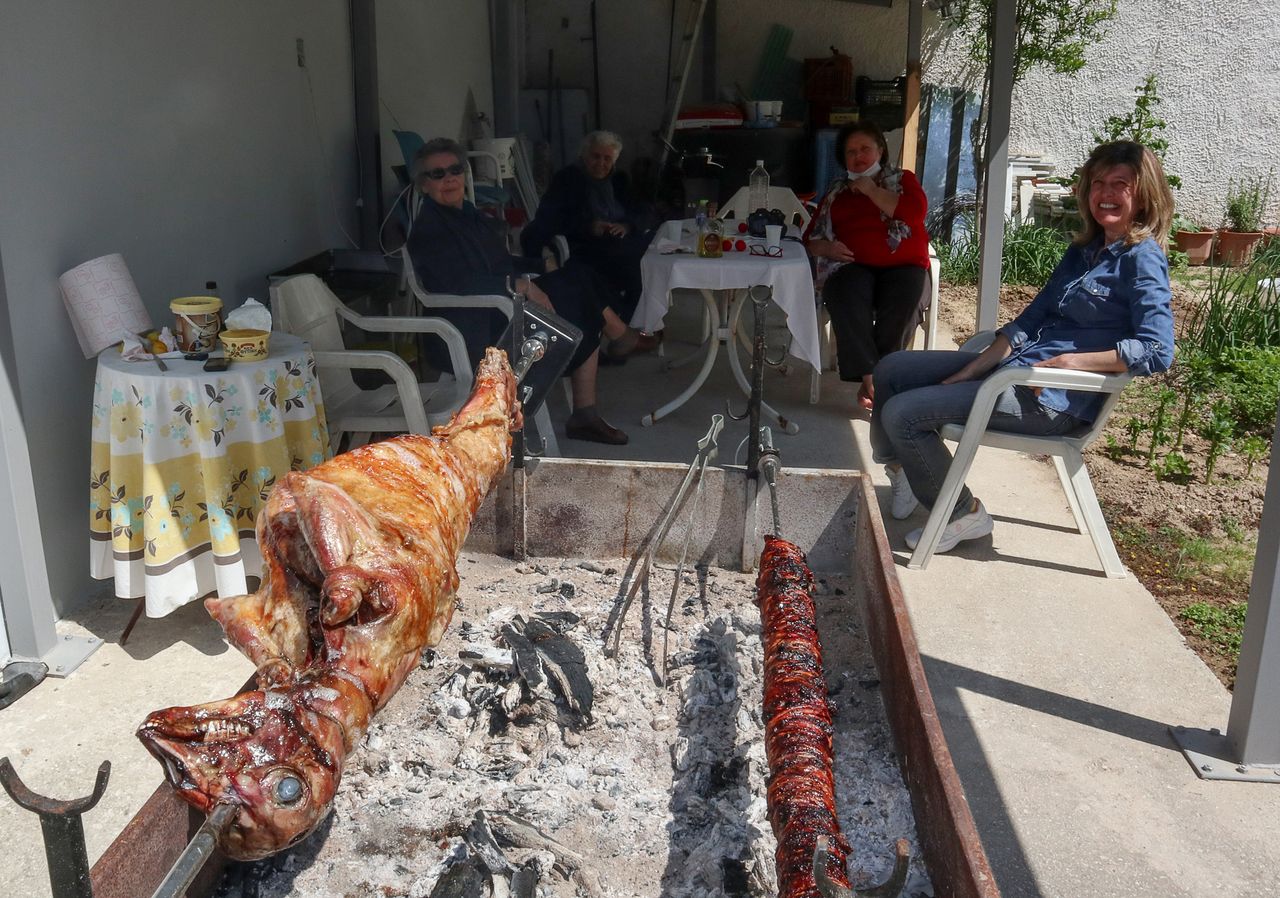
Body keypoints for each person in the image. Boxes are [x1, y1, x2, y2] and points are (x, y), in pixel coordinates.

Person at [871, 140, 1175, 553]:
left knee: (903, 414)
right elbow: (1031, 320)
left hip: (1051, 400)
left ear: (1143, 194)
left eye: (1120, 184)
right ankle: (906, 467)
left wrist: (1072, 362)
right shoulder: (1083, 251)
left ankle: (962, 514)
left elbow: (1157, 349)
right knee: (893, 369)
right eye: (1098, 183)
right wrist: (973, 368)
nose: (1106, 193)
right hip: (1016, 373)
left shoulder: (1142, 259)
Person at [406, 137, 646, 445]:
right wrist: (517, 284)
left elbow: (499, 263)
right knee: (582, 294)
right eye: (437, 174)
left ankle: (592, 398)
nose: (449, 178)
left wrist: (538, 263)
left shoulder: (467, 215)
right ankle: (611, 357)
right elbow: (452, 282)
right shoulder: (431, 228)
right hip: (474, 328)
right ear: (424, 185)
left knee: (578, 278)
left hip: (499, 310)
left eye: (454, 170)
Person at [803, 121, 931, 410]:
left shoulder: (903, 180)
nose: (858, 156)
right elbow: (810, 238)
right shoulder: (837, 191)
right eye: (851, 152)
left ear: (881, 151)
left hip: (905, 265)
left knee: (904, 301)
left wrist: (872, 190)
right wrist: (828, 247)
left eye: (865, 149)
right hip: (853, 265)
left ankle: (874, 380)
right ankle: (874, 378)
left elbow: (914, 213)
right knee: (844, 294)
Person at [521, 130, 657, 335]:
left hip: (617, 243)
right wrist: (589, 226)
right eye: (596, 156)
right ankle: (620, 331)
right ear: (584, 155)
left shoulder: (618, 180)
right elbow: (548, 218)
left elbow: (642, 210)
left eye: (607, 158)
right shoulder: (567, 179)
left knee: (649, 264)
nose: (601, 163)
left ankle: (627, 327)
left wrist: (626, 226)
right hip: (583, 247)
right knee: (636, 271)